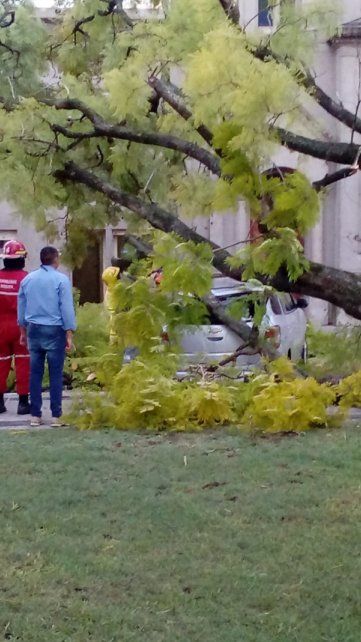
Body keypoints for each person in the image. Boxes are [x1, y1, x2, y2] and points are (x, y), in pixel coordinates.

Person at [18, 246, 76, 427]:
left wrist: (22, 332)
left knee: (35, 372)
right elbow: (66, 308)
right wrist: (69, 332)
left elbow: (21, 309)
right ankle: (56, 416)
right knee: (55, 373)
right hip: (54, 329)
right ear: (55, 259)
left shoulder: (28, 280)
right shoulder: (61, 280)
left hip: (34, 329)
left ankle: (35, 415)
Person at [0, 240, 31, 415]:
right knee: (23, 363)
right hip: (22, 328)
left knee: (0, 364)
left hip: (0, 328)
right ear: (22, 259)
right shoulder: (27, 279)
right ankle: (23, 404)